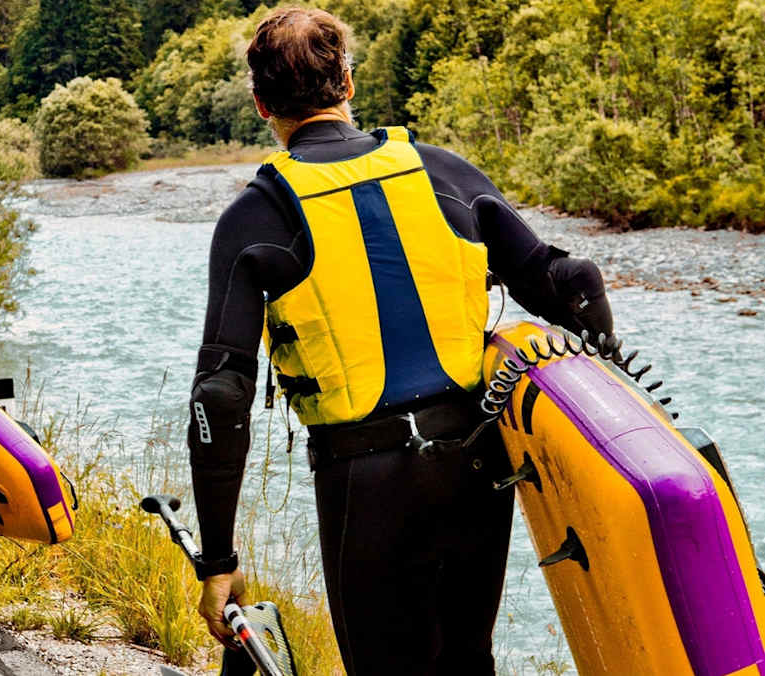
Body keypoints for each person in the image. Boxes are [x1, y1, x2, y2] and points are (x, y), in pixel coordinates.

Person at [186, 8, 615, 674]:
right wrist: (611, 379)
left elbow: (219, 396)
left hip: (366, 477)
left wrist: (217, 561)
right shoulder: (442, 172)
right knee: (468, 661)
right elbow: (569, 282)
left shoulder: (259, 215)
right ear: (347, 84)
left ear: (260, 101)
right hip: (477, 465)